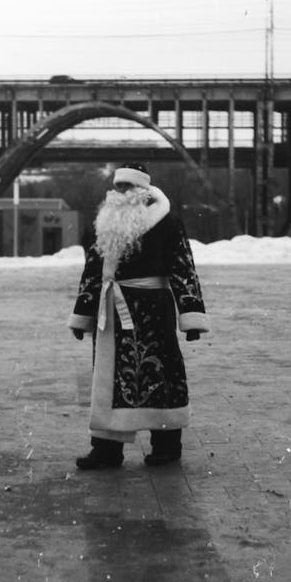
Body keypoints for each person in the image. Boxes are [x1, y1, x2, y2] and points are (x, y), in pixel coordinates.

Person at [67, 162, 208, 469]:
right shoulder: (102, 225)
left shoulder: (167, 223)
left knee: (161, 374)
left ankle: (167, 446)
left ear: (143, 191)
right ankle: (106, 449)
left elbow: (183, 267)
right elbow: (93, 271)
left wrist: (191, 315)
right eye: (118, 187)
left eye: (128, 187)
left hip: (153, 311)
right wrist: (83, 315)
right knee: (109, 381)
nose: (122, 193)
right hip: (112, 315)